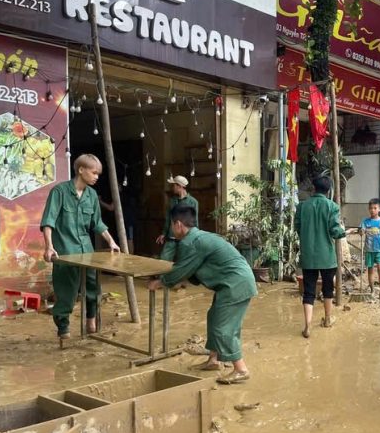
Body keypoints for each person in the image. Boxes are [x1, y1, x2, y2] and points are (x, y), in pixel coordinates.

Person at [148, 205, 257, 385]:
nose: (171, 229)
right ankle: (214, 360)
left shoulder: (190, 242)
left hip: (235, 284)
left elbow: (181, 269)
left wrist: (160, 283)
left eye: (171, 225)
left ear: (178, 224)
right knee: (214, 317)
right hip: (234, 281)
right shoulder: (199, 237)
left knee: (223, 328)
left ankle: (241, 369)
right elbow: (190, 269)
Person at [41, 154, 121, 340]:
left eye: (98, 174)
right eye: (94, 173)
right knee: (66, 292)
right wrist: (49, 246)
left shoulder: (92, 195)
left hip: (87, 251)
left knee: (93, 287)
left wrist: (111, 241)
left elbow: (97, 223)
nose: (96, 177)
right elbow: (48, 221)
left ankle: (91, 320)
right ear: (81, 170)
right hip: (65, 252)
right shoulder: (59, 192)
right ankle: (63, 328)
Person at [295, 176, 346, 338]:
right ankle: (328, 319)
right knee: (328, 289)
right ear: (328, 190)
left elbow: (298, 227)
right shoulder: (332, 206)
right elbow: (335, 231)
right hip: (327, 257)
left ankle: (307, 326)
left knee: (309, 291)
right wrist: (345, 232)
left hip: (308, 256)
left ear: (313, 188)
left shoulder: (302, 206)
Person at [349, 198, 380, 299]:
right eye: (371, 208)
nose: (373, 210)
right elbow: (361, 231)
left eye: (375, 208)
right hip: (369, 250)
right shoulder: (365, 221)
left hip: (379, 250)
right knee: (370, 271)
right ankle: (372, 290)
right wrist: (361, 231)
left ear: (379, 209)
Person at [156, 175, 198, 261]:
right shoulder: (172, 201)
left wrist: (196, 237)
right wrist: (164, 233)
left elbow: (195, 220)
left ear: (180, 186)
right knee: (163, 260)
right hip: (171, 236)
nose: (172, 188)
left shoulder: (193, 202)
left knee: (184, 261)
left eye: (174, 185)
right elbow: (168, 218)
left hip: (186, 237)